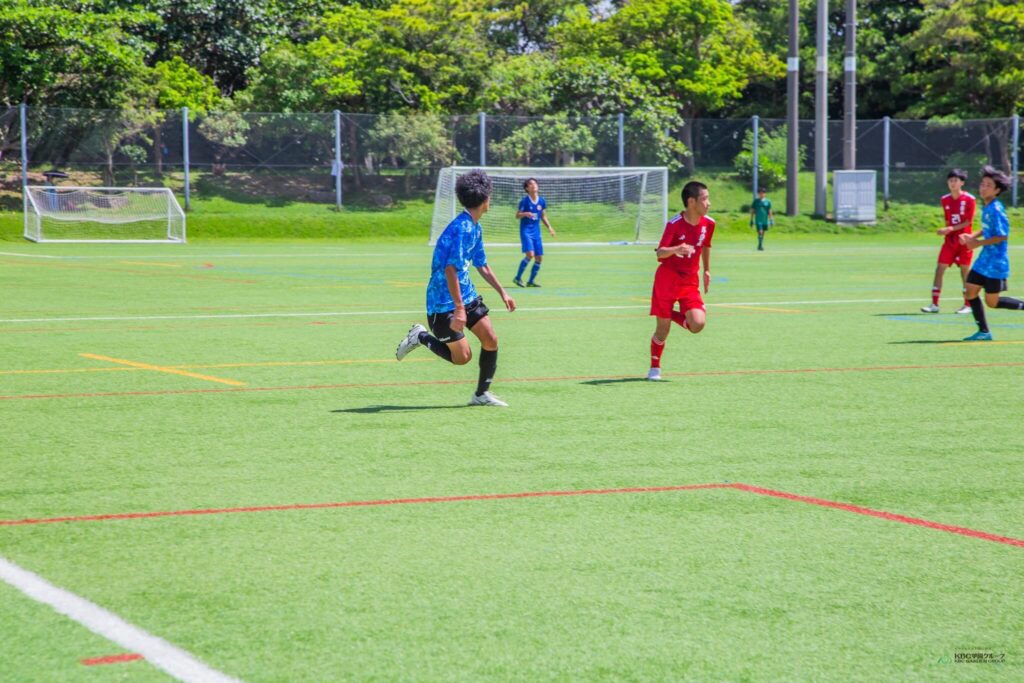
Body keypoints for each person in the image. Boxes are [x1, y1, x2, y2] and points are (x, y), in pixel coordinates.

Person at [395, 169, 516, 406]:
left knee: (490, 339)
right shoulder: (462, 228)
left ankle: (481, 395)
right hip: (442, 304)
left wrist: (503, 293)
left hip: (466, 295)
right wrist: (459, 309)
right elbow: (450, 270)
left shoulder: (475, 227)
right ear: (485, 199)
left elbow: (482, 264)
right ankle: (420, 336)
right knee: (462, 358)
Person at [647, 181, 714, 380]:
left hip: (689, 282)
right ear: (691, 202)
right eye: (705, 199)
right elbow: (660, 252)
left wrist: (707, 270)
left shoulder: (709, 223)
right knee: (663, 329)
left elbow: (706, 245)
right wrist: (676, 249)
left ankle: (666, 313)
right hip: (667, 280)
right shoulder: (674, 224)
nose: (709, 203)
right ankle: (654, 368)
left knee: (697, 324)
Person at [959, 165, 1024, 341]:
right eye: (982, 184)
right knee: (969, 292)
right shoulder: (987, 207)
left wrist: (977, 243)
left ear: (997, 190)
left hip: (996, 263)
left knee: (992, 302)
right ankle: (984, 332)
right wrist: (972, 236)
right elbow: (987, 229)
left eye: (988, 185)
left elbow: (1002, 235)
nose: (983, 187)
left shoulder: (996, 209)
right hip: (984, 260)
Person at [921, 169, 975, 314]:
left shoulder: (970, 199)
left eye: (955, 180)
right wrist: (945, 230)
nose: (952, 183)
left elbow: (968, 222)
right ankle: (934, 304)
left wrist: (950, 228)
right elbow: (947, 219)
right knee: (939, 269)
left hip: (964, 241)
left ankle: (968, 305)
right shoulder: (944, 199)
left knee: (964, 271)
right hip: (950, 242)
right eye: (950, 180)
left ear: (962, 183)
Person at [513, 178, 556, 287]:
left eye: (535, 183)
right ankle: (517, 278)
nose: (534, 185)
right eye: (531, 184)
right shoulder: (524, 201)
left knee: (539, 258)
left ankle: (530, 282)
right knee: (530, 255)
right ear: (527, 188)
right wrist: (525, 213)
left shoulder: (541, 201)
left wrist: (550, 227)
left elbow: (543, 216)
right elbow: (517, 215)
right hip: (526, 231)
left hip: (536, 232)